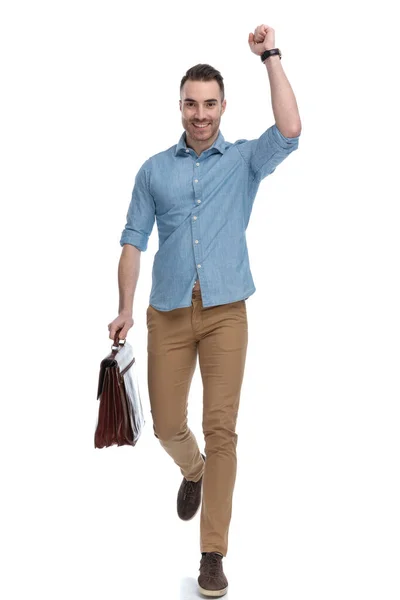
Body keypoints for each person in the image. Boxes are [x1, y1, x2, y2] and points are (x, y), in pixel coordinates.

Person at [108, 23, 301, 598]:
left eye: (210, 104)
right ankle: (192, 470)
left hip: (225, 314)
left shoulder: (244, 162)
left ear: (223, 106)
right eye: (191, 104)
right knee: (168, 424)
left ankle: (212, 553)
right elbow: (131, 240)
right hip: (166, 312)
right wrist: (123, 307)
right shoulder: (153, 170)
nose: (200, 114)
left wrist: (269, 57)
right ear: (180, 106)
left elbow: (290, 130)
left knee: (223, 431)